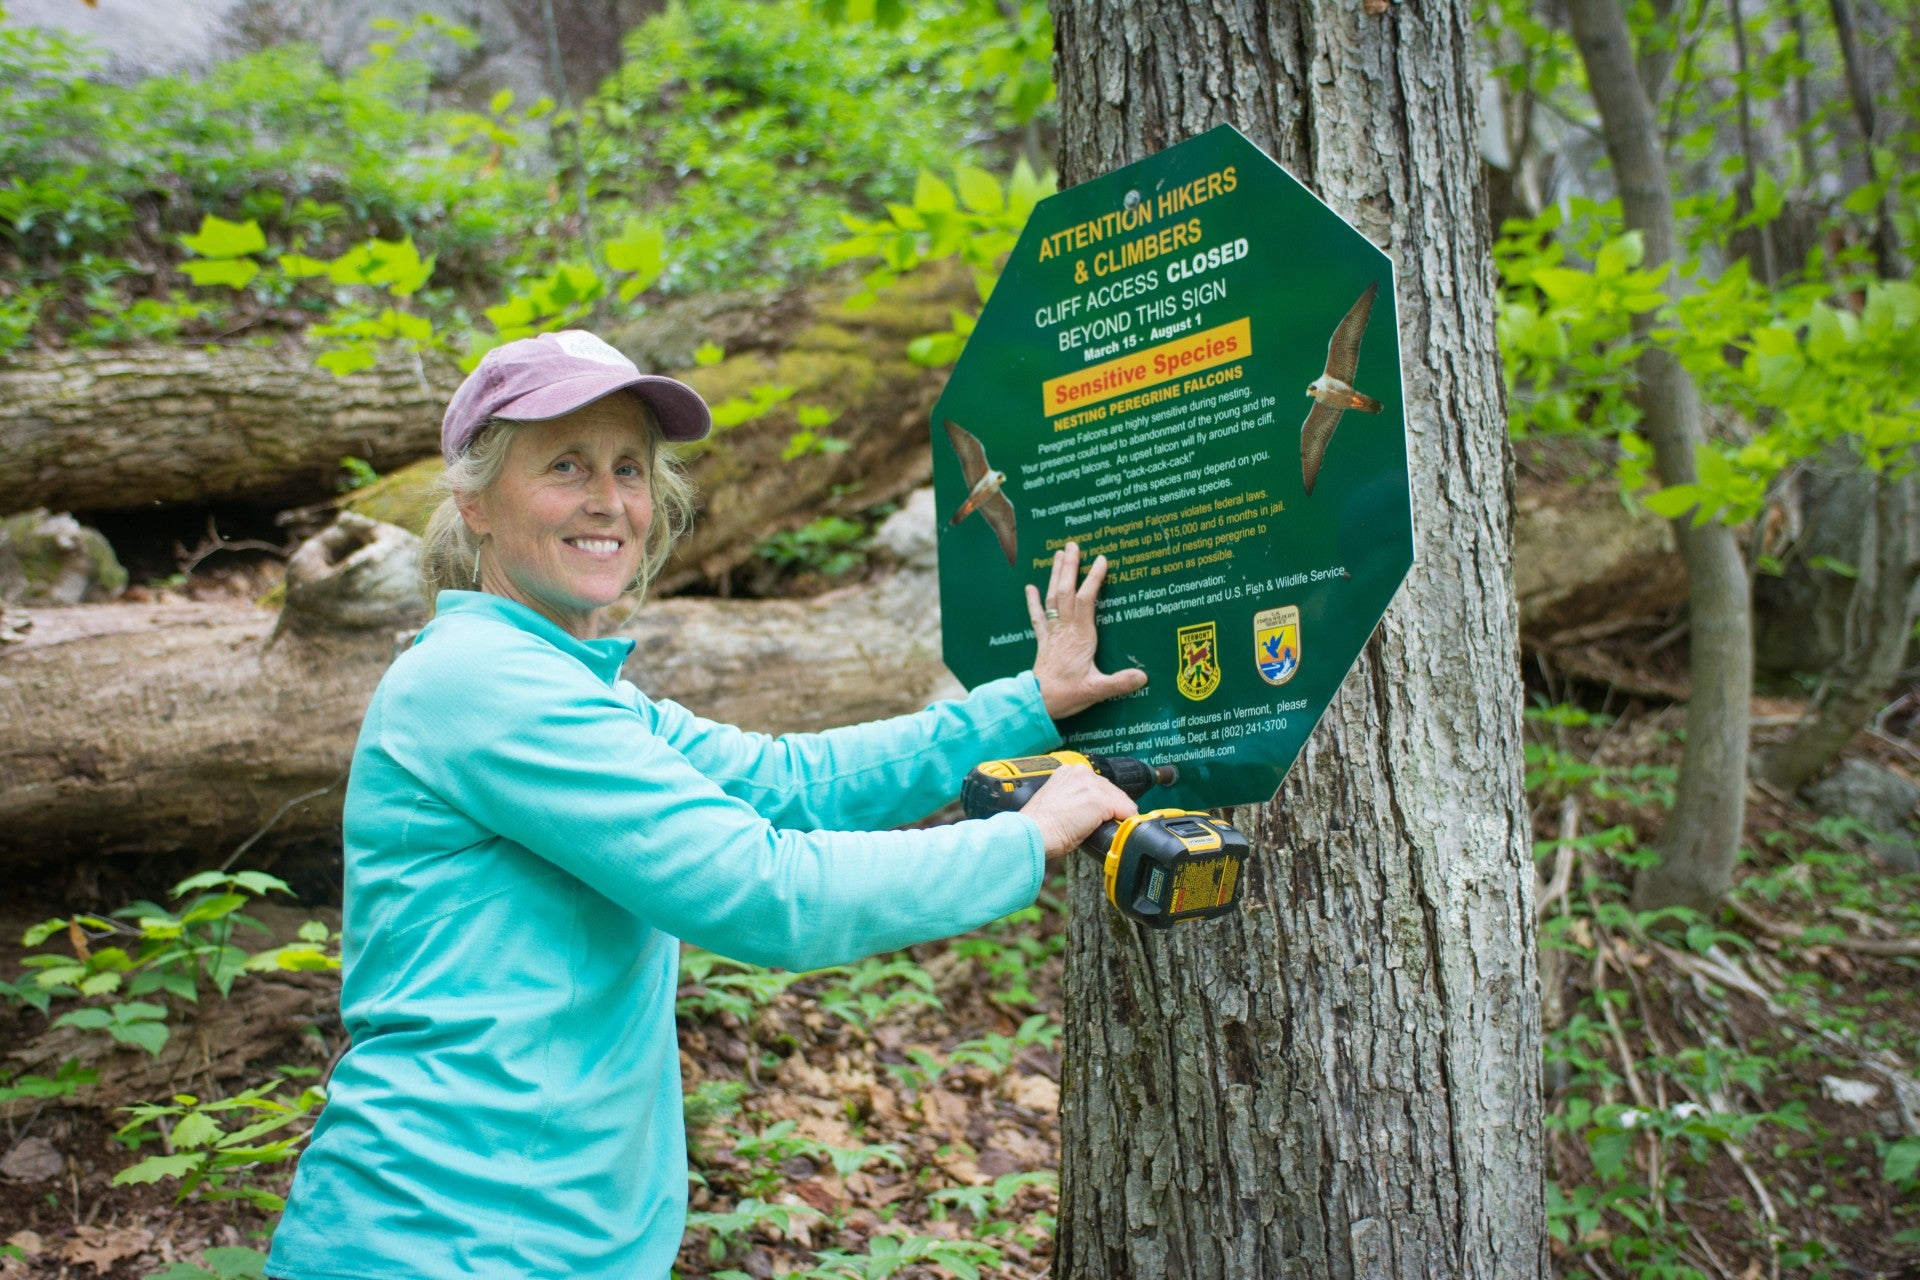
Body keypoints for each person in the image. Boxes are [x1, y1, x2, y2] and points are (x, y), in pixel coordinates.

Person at [265, 330, 1147, 1279]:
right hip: (445, 1240)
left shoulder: (570, 687)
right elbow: (764, 893)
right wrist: (1023, 841)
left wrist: (1027, 703)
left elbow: (790, 781)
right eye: (565, 464)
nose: (609, 500)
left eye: (630, 468)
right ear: (474, 500)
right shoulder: (486, 684)